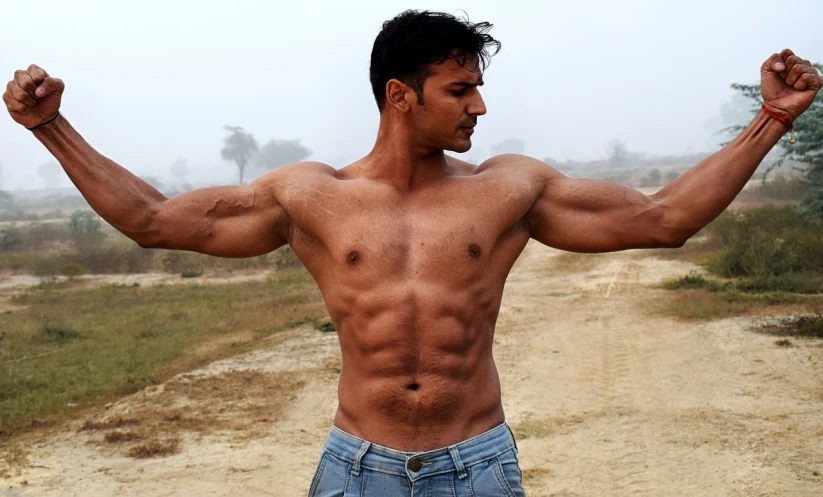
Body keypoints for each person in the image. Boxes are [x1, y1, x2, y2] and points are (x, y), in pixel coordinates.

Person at [4, 9, 821, 497]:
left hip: (477, 463)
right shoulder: (308, 195)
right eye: (458, 89)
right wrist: (51, 127)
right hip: (356, 466)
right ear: (401, 97)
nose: (479, 105)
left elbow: (664, 216)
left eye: (476, 86)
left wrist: (772, 119)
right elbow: (150, 219)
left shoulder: (508, 188)